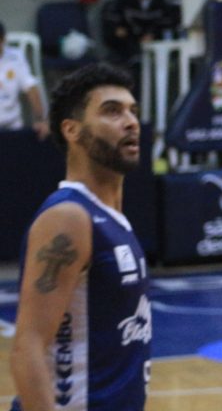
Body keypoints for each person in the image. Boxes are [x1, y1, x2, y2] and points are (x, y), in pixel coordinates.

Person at [8, 63, 151, 411]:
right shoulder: (69, 217)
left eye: (132, 111)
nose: (130, 122)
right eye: (112, 111)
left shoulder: (112, 217)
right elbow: (27, 348)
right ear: (72, 130)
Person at [101, 0, 177, 68]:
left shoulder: (160, 1)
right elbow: (112, 18)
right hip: (127, 44)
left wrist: (153, 34)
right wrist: (117, 29)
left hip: (151, 45)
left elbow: (166, 23)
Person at [0, 21, 49, 140]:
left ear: (3, 40)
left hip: (12, 126)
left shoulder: (16, 57)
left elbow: (30, 87)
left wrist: (41, 119)